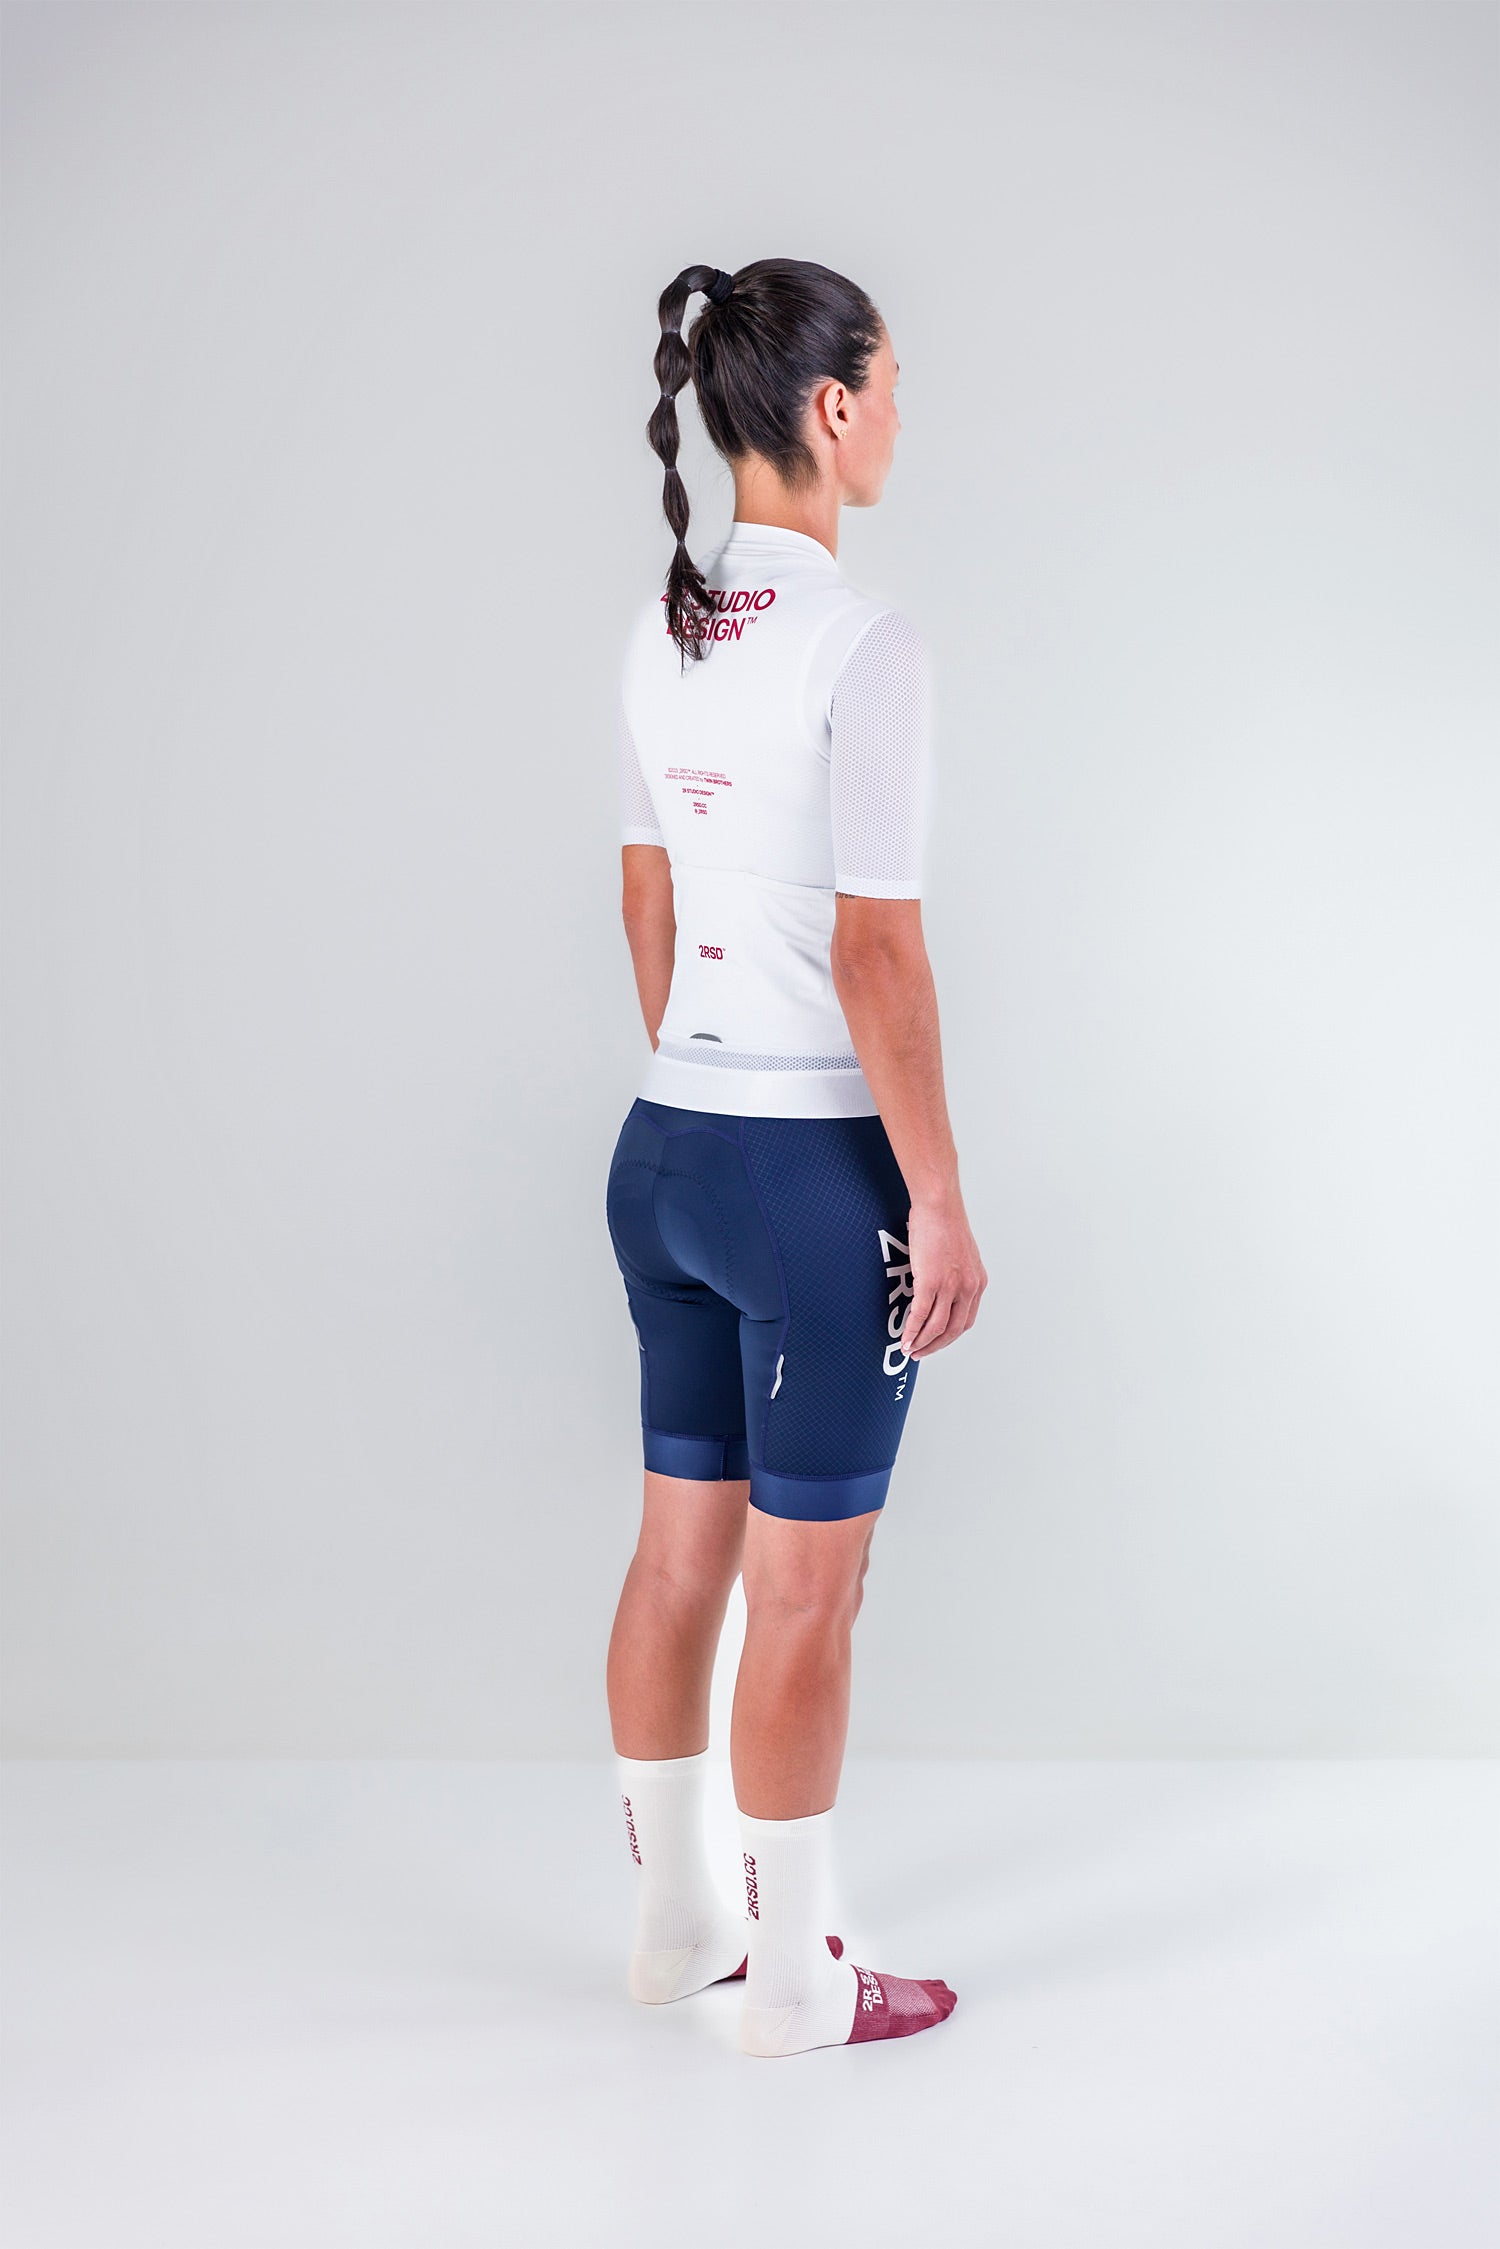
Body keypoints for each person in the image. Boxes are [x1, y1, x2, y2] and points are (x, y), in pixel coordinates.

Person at [604, 259, 986, 2059]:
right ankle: (800, 1982)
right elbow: (878, 954)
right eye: (891, 382)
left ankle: (675, 1926)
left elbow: (644, 899)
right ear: (833, 410)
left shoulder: (661, 629)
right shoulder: (864, 642)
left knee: (680, 1559)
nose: (902, 414)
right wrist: (938, 1199)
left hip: (667, 1150)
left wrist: (702, 1073)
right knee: (808, 1587)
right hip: (813, 1180)